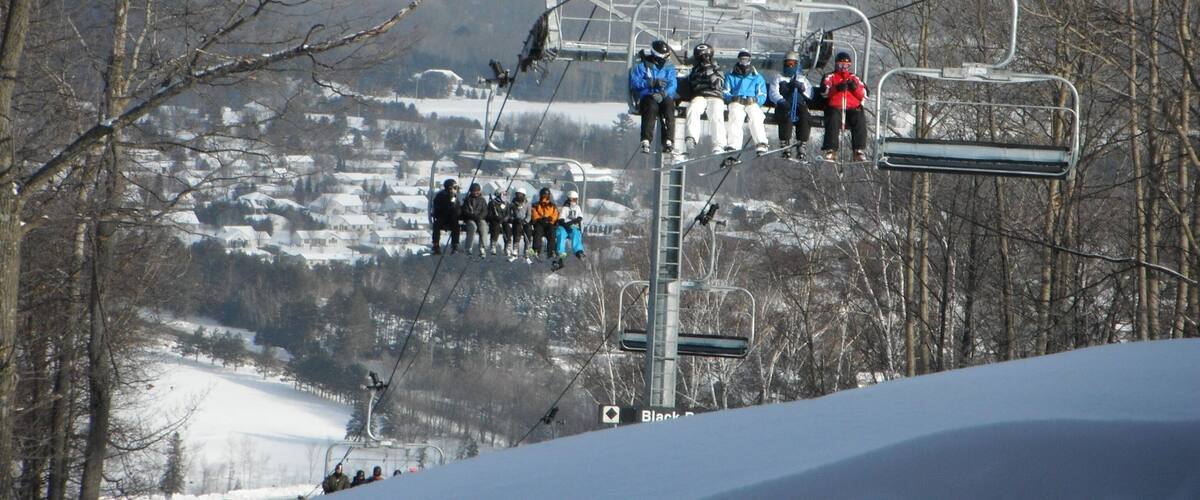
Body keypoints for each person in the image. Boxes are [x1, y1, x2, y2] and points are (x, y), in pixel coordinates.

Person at [629, 39, 677, 154]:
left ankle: (668, 140)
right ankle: (646, 139)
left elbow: (673, 83)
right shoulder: (643, 66)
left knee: (668, 106)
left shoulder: (669, 68)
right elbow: (635, 83)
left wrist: (664, 93)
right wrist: (650, 83)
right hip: (648, 96)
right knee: (651, 108)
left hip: (663, 95)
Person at [820, 51, 869, 162]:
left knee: (859, 117)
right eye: (841, 65)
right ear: (836, 65)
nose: (843, 68)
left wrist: (854, 88)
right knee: (832, 118)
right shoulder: (830, 76)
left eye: (846, 65)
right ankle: (831, 149)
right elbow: (824, 92)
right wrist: (836, 88)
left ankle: (858, 150)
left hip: (852, 107)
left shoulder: (854, 78)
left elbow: (865, 95)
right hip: (836, 107)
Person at [769, 50, 815, 161]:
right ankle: (785, 142)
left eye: (792, 64)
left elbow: (810, 94)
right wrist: (781, 101)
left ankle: (802, 143)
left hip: (799, 105)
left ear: (796, 65)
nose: (790, 66)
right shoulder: (779, 78)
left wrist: (802, 88)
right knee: (786, 115)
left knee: (805, 116)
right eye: (787, 64)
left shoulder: (802, 79)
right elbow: (773, 93)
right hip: (784, 105)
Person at [683, 43, 727, 155]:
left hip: (715, 96)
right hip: (700, 95)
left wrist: (709, 70)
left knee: (716, 113)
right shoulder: (695, 70)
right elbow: (692, 84)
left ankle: (718, 144)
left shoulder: (717, 67)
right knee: (693, 108)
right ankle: (691, 137)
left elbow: (718, 84)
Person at [724, 50, 769, 155]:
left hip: (751, 102)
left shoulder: (757, 77)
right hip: (737, 101)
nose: (744, 62)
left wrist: (755, 100)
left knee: (756, 115)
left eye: (746, 59)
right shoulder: (731, 75)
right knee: (735, 115)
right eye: (742, 59)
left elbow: (762, 94)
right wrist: (732, 98)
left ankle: (761, 142)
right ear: (739, 60)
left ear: (750, 60)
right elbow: (725, 91)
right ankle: (734, 144)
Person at [552, 190, 586, 270]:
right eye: (572, 199)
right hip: (564, 226)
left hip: (573, 226)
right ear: (569, 199)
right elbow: (561, 219)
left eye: (575, 199)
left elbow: (580, 217)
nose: (574, 201)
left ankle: (579, 251)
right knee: (561, 234)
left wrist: (574, 221)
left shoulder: (577, 208)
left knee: (576, 233)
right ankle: (561, 254)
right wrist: (566, 225)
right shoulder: (565, 208)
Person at [430, 178, 461, 255]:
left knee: (456, 226)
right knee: (436, 226)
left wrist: (454, 207)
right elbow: (437, 208)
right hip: (442, 216)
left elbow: (457, 207)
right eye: (452, 187)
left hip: (452, 217)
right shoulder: (440, 196)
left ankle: (455, 245)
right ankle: (436, 245)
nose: (453, 189)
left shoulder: (454, 196)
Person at [460, 182, 489, 258]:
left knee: (483, 226)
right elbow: (465, 212)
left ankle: (483, 247)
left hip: (480, 219)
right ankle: (469, 248)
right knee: (473, 227)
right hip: (470, 219)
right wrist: (472, 216)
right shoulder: (467, 200)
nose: (476, 192)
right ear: (471, 191)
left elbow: (485, 211)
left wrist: (480, 217)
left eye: (477, 191)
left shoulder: (482, 200)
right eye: (474, 191)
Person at [530, 187, 559, 259]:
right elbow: (534, 213)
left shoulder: (552, 205)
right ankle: (536, 249)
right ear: (541, 195)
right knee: (537, 232)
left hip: (549, 223)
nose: (545, 197)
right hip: (540, 223)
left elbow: (555, 214)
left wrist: (551, 219)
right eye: (544, 195)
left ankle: (551, 250)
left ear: (549, 196)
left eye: (546, 195)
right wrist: (539, 219)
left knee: (552, 232)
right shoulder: (536, 205)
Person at [507, 188, 531, 262]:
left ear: (523, 195)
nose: (518, 196)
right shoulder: (513, 204)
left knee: (528, 232)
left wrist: (525, 221)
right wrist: (514, 219)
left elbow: (529, 215)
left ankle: (527, 250)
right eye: (517, 194)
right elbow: (509, 214)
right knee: (517, 232)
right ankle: (515, 250)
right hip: (516, 221)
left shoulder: (527, 204)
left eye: (520, 195)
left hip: (525, 222)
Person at [485, 191, 508, 256]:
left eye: (505, 194)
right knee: (496, 227)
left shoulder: (506, 203)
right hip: (495, 221)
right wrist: (495, 217)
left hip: (504, 221)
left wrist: (504, 219)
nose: (504, 196)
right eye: (503, 194)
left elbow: (508, 213)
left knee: (507, 229)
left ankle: (507, 246)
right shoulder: (492, 203)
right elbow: (488, 215)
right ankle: (493, 245)